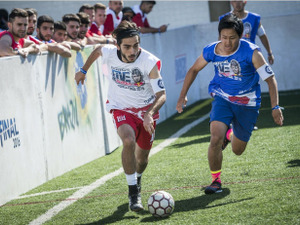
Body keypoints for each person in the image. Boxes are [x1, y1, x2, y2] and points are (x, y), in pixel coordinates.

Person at [176, 14, 283, 195]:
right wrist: (182, 96)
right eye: (224, 37)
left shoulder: (252, 52)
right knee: (215, 138)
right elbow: (193, 69)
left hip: (247, 103)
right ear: (219, 36)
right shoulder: (211, 50)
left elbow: (270, 80)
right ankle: (215, 181)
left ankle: (231, 133)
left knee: (238, 150)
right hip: (222, 98)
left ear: (240, 37)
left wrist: (275, 107)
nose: (227, 42)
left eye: (232, 38)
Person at [75, 21, 166, 211]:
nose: (132, 50)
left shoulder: (149, 62)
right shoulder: (109, 52)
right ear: (117, 45)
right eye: (127, 46)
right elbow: (97, 50)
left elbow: (162, 95)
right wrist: (83, 70)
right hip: (121, 108)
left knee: (141, 160)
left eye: (136, 45)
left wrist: (149, 114)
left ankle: (137, 179)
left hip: (146, 111)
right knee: (128, 140)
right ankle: (134, 193)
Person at [219, 0, 274, 65]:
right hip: (232, 57)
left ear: (245, 1)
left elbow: (262, 35)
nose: (237, 3)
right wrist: (221, 58)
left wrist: (269, 53)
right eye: (234, 1)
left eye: (240, 1)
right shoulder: (224, 19)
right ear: (231, 2)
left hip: (250, 56)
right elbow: (221, 39)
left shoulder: (254, 18)